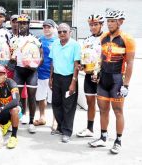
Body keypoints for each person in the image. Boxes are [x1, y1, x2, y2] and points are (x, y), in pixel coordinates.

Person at [88, 9, 135, 154]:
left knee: (118, 111)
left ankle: (118, 141)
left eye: (113, 21)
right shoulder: (103, 37)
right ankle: (103, 137)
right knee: (103, 110)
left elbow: (131, 63)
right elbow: (99, 57)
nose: (109, 24)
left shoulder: (127, 39)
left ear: (121, 22)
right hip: (103, 79)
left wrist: (126, 85)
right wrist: (96, 72)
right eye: (108, 21)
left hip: (117, 80)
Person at [10, 14, 42, 133]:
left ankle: (31, 122)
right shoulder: (13, 39)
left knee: (32, 97)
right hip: (18, 70)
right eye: (20, 23)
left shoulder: (35, 39)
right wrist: (11, 59)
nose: (22, 25)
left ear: (29, 24)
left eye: (24, 23)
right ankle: (15, 120)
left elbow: (41, 56)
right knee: (16, 97)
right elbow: (10, 56)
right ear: (17, 24)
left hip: (31, 72)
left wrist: (34, 66)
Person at [49, 23, 81, 143]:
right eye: (60, 32)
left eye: (64, 31)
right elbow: (52, 62)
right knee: (56, 103)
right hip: (57, 77)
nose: (62, 34)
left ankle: (67, 131)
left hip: (69, 78)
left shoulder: (75, 45)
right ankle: (60, 127)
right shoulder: (55, 44)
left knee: (68, 106)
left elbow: (76, 64)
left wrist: (73, 82)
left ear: (70, 32)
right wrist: (50, 77)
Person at [76, 14, 104, 138]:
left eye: (96, 24)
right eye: (91, 25)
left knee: (103, 105)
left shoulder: (107, 39)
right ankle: (90, 129)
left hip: (102, 76)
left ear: (101, 25)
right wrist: (82, 65)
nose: (93, 27)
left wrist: (100, 72)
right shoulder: (87, 40)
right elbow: (84, 57)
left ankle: (104, 132)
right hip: (89, 75)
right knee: (90, 103)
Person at [35, 19, 58, 130]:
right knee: (40, 97)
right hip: (40, 73)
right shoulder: (39, 40)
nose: (46, 29)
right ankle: (42, 117)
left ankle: (55, 121)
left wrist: (53, 75)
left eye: (49, 27)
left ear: (53, 28)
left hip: (52, 75)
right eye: (44, 27)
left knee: (54, 99)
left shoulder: (57, 41)